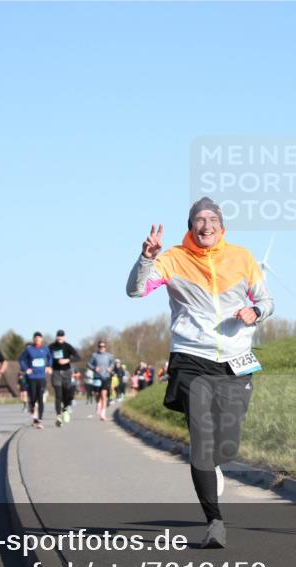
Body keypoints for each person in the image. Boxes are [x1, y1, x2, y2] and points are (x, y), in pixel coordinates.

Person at [127, 197, 274, 548]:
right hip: (191, 358)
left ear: (222, 227)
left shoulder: (242, 257)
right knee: (202, 441)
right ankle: (215, 522)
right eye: (198, 220)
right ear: (190, 226)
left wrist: (256, 312)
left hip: (236, 360)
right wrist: (147, 257)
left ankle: (216, 464)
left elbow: (266, 301)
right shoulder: (174, 258)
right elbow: (135, 290)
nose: (205, 225)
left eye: (212, 220)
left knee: (228, 440)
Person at [19, 331, 52, 429]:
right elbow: (21, 360)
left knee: (40, 398)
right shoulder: (29, 349)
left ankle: (40, 420)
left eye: (39, 338)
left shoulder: (45, 349)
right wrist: (26, 369)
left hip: (41, 377)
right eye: (35, 338)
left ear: (41, 339)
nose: (37, 340)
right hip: (32, 377)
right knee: (32, 398)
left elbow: (50, 358)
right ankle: (32, 409)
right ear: (33, 339)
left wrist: (48, 366)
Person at [48, 329, 79, 427]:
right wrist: (48, 366)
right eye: (58, 336)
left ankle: (65, 409)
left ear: (64, 337)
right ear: (56, 337)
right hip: (56, 372)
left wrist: (67, 360)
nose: (60, 337)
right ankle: (58, 416)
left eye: (62, 336)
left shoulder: (67, 346)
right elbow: (46, 357)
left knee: (67, 393)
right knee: (58, 394)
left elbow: (78, 357)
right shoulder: (51, 347)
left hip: (66, 372)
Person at [87, 340, 115, 421]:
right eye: (100, 346)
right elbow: (88, 364)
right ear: (98, 347)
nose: (101, 348)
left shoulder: (109, 355)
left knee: (104, 395)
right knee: (97, 394)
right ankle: (98, 403)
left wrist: (110, 368)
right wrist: (94, 368)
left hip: (106, 377)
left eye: (103, 347)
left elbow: (113, 364)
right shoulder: (94, 355)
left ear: (105, 347)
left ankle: (103, 414)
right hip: (97, 377)